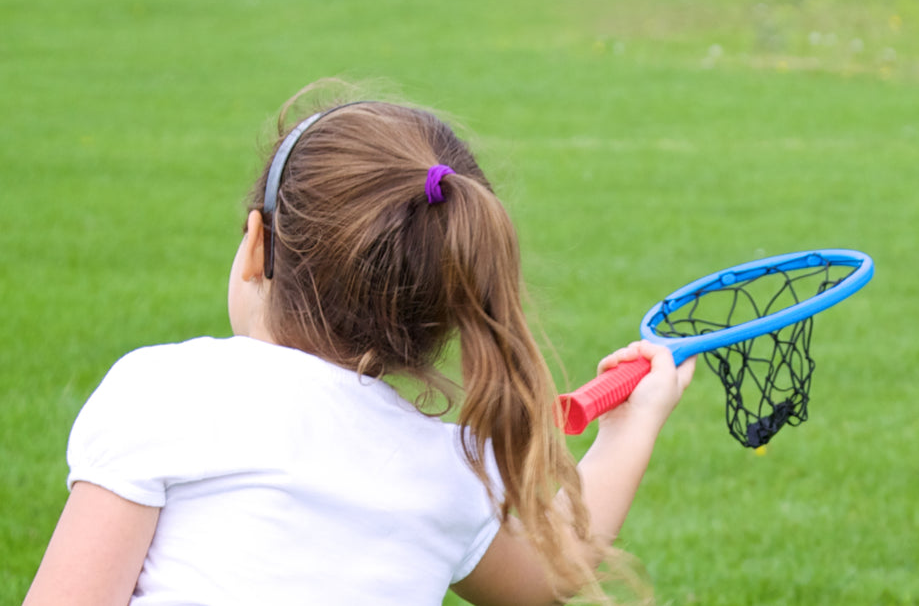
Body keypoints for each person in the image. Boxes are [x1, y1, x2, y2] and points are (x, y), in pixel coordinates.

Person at [25, 89, 693, 606]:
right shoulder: (450, 472)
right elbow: (551, 574)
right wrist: (630, 426)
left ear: (258, 244)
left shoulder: (164, 391)